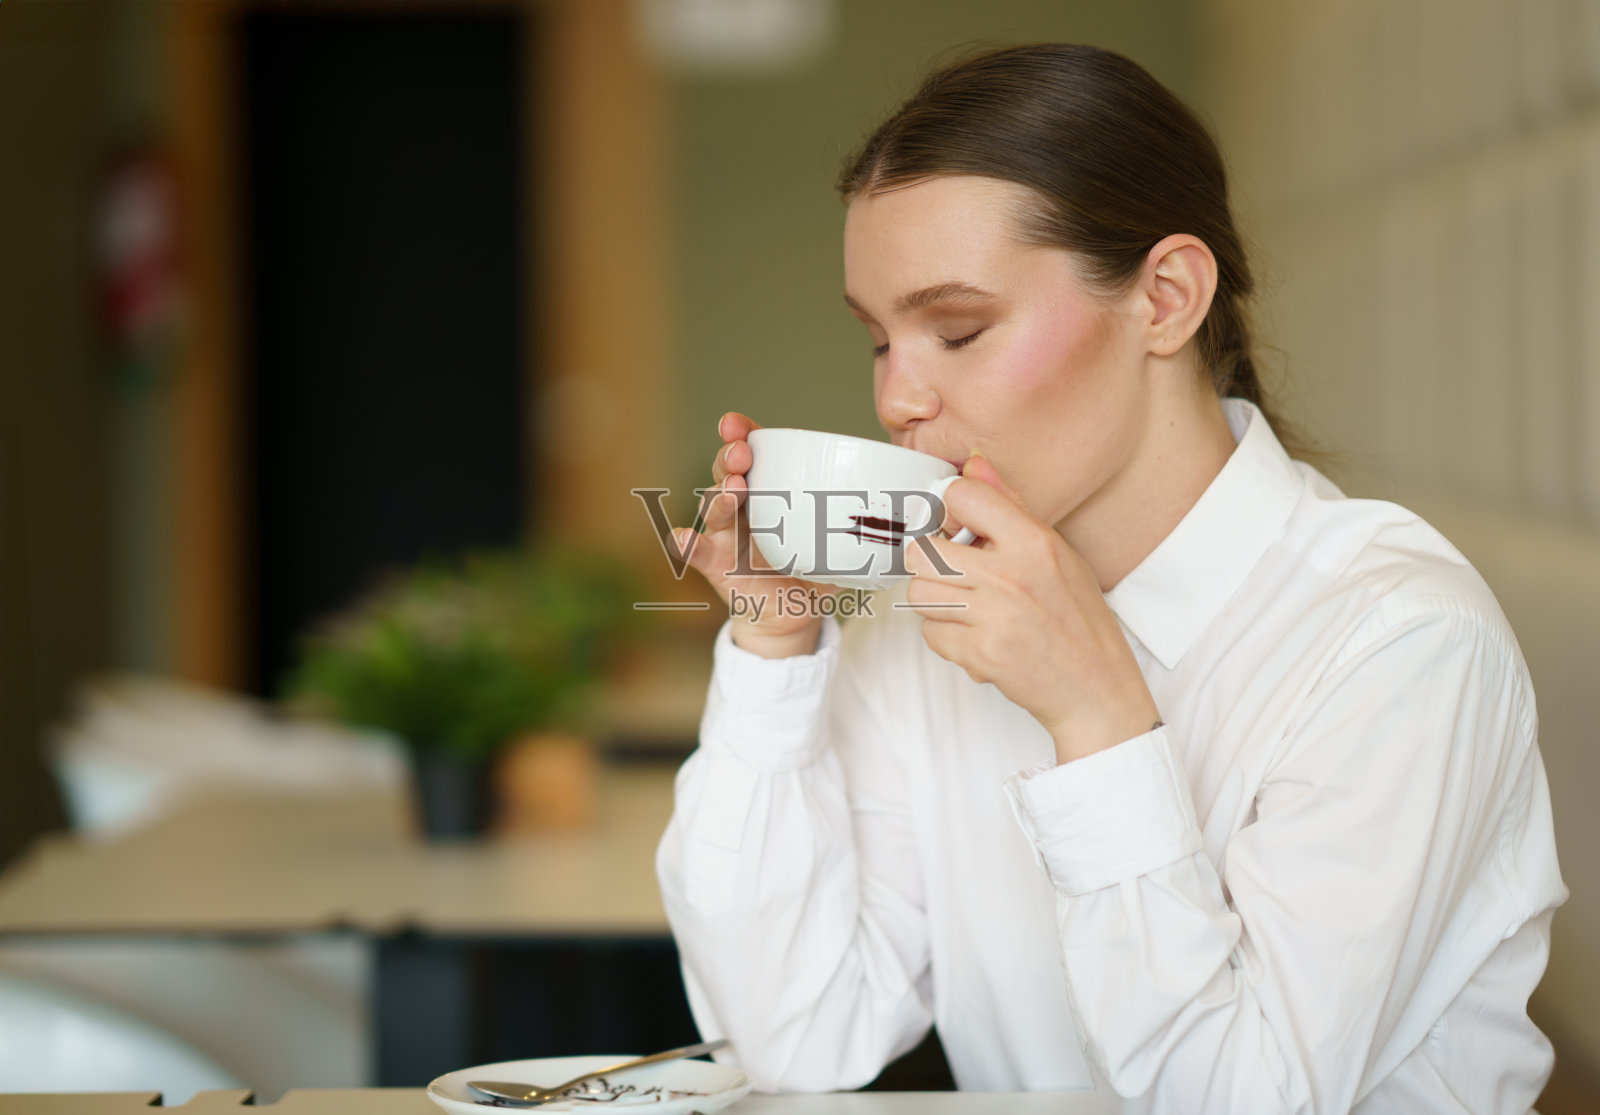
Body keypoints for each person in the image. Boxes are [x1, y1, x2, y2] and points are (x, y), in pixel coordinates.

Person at [654, 42, 1567, 1114]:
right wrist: (773, 645)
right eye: (877, 340)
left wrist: (1095, 716)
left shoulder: (1396, 640)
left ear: (1167, 297)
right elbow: (796, 1036)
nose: (898, 397)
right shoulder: (922, 621)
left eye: (956, 328)